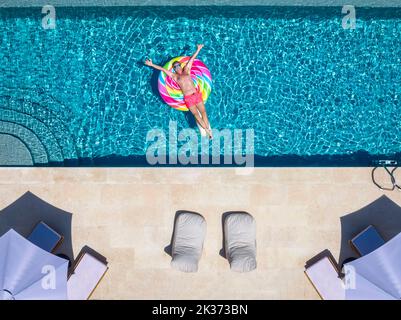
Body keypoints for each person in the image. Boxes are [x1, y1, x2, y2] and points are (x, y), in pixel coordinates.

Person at [145, 44, 212, 139]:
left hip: (196, 94)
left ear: (181, 65)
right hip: (188, 98)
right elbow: (162, 69)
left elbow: (192, 59)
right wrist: (151, 64)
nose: (177, 67)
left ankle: (207, 129)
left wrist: (198, 49)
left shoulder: (187, 70)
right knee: (196, 115)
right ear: (174, 69)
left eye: (178, 65)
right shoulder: (175, 76)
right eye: (175, 66)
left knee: (204, 112)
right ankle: (207, 130)